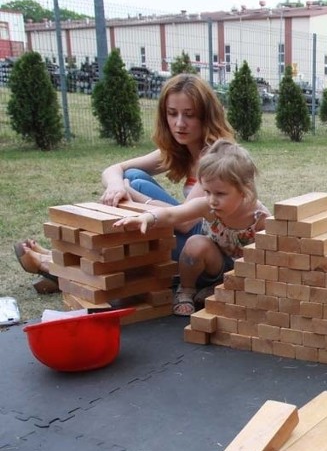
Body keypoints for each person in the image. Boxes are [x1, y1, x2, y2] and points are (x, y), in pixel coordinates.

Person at [13, 73, 235, 293]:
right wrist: (117, 187)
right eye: (172, 113)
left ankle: (54, 265)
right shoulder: (181, 149)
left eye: (189, 115)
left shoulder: (216, 155)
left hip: (211, 252)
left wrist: (132, 193)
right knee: (133, 176)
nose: (179, 123)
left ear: (206, 116)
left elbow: (187, 221)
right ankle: (64, 263)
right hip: (192, 236)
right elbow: (113, 169)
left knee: (136, 184)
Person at [114, 140, 269, 316]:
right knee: (196, 243)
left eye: (220, 193)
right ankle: (186, 289)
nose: (212, 199)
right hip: (212, 265)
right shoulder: (208, 207)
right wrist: (147, 218)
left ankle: (218, 290)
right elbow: (173, 214)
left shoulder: (260, 218)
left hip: (245, 273)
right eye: (207, 192)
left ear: (244, 190)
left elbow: (269, 259)